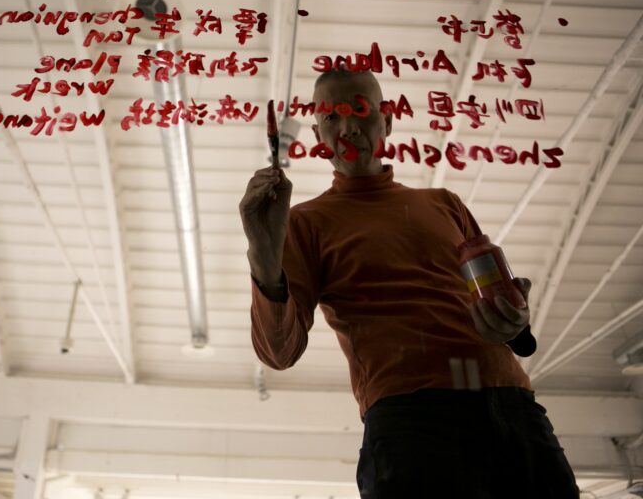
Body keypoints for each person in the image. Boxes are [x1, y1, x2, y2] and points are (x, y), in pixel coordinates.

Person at [238, 69, 580, 498]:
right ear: (317, 133)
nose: (347, 128)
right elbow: (280, 351)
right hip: (410, 419)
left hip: (510, 405)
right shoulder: (306, 223)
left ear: (388, 122)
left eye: (361, 110)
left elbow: (499, 298)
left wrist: (515, 320)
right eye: (331, 117)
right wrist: (263, 255)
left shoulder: (444, 204)